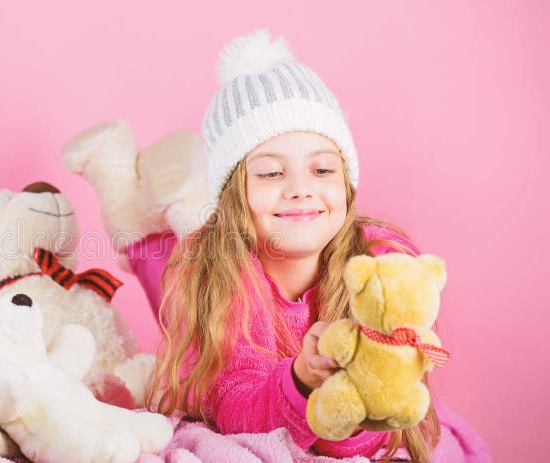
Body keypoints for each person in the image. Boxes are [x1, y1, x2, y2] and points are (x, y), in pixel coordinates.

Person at [65, 29, 491, 462]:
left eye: (322, 169)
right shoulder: (213, 280)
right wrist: (302, 380)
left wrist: (360, 395)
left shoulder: (382, 265)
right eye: (270, 173)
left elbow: (378, 430)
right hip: (206, 264)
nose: (301, 189)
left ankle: (181, 199)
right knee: (161, 261)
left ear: (346, 182)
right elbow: (236, 405)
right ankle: (133, 205)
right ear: (233, 195)